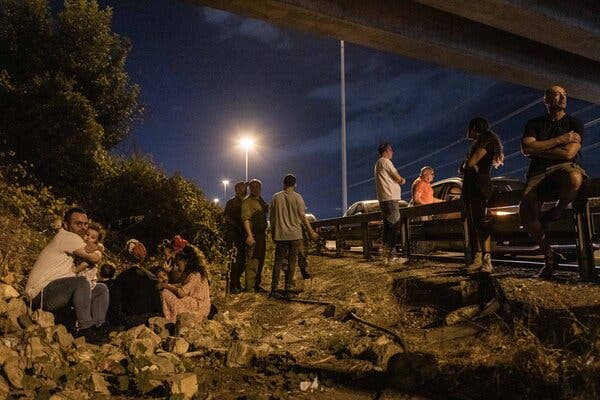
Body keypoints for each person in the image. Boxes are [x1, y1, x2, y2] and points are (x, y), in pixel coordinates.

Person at [519, 85, 586, 279]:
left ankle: (558, 210)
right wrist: (562, 138)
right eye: (557, 94)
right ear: (547, 100)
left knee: (575, 177)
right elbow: (526, 148)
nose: (562, 97)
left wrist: (538, 149)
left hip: (564, 168)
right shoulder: (534, 123)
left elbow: (569, 153)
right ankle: (550, 255)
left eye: (565, 94)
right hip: (538, 172)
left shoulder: (575, 122)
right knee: (526, 214)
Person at [25, 207, 109, 342]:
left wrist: (97, 247)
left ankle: (98, 327)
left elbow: (95, 252)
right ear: (66, 225)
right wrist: (98, 249)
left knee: (100, 289)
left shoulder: (75, 240)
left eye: (85, 224)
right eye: (78, 223)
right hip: (39, 295)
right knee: (81, 282)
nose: (83, 228)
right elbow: (94, 258)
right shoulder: (68, 237)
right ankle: (86, 329)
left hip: (57, 291)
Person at [461, 117, 504, 274]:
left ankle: (487, 260)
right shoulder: (479, 142)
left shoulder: (485, 140)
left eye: (469, 128)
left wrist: (468, 165)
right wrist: (467, 166)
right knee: (475, 224)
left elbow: (469, 163)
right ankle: (478, 259)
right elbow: (466, 167)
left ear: (475, 128)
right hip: (472, 187)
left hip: (479, 186)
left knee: (480, 223)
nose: (467, 131)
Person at [269, 174, 319, 297]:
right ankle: (287, 288)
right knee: (292, 262)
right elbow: (303, 217)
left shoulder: (276, 197)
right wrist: (311, 232)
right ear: (295, 184)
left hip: (281, 235)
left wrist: (273, 232)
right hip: (295, 235)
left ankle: (274, 289)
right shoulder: (298, 198)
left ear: (283, 184)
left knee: (278, 261)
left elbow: (272, 218)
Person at [107, 239, 163, 327]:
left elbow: (115, 306)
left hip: (132, 320)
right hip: (154, 319)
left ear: (125, 259)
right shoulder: (151, 276)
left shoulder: (122, 277)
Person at [159, 244, 211, 322]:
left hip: (199, 306)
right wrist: (166, 285)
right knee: (167, 291)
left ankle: (172, 319)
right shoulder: (193, 274)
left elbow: (181, 292)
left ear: (186, 261)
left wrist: (166, 286)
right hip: (197, 304)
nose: (176, 266)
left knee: (166, 293)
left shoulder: (195, 275)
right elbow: (181, 285)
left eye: (178, 263)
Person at [374, 143, 407, 265]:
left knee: (388, 226)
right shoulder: (385, 161)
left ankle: (386, 255)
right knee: (394, 225)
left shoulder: (378, 163)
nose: (392, 152)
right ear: (386, 151)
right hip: (390, 198)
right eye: (391, 150)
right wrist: (402, 180)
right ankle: (392, 256)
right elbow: (396, 176)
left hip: (384, 198)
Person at [242, 179, 269, 292]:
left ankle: (257, 285)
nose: (255, 189)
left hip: (262, 235)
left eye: (257, 186)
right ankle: (250, 287)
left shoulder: (261, 201)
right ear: (250, 189)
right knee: (252, 261)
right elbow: (246, 219)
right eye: (252, 187)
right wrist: (249, 235)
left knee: (260, 260)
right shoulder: (247, 202)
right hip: (253, 235)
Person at [223, 181, 248, 293]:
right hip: (234, 236)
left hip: (241, 236)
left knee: (242, 261)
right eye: (243, 187)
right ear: (237, 189)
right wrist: (238, 228)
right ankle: (233, 286)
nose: (246, 189)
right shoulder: (232, 202)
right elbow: (228, 218)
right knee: (235, 261)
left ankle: (236, 283)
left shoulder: (244, 202)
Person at [72, 222, 105, 290]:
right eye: (87, 235)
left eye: (92, 237)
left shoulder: (93, 250)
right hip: (80, 276)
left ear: (96, 241)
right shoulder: (81, 243)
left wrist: (75, 271)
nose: (88, 238)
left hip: (87, 278)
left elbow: (86, 263)